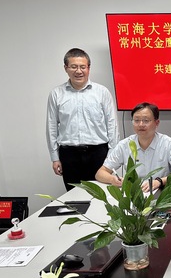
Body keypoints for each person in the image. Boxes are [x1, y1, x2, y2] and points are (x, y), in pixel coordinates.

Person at [46, 48, 119, 191]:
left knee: (102, 196)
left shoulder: (102, 92)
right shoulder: (56, 94)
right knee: (74, 197)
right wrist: (55, 158)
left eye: (82, 67)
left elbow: (112, 125)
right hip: (69, 155)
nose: (78, 71)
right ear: (66, 68)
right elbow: (51, 127)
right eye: (73, 67)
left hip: (98, 153)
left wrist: (112, 157)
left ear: (88, 68)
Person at [96, 102, 171, 192]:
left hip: (160, 192)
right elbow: (100, 173)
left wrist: (159, 181)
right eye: (136, 120)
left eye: (146, 120)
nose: (140, 124)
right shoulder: (124, 145)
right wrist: (112, 179)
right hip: (134, 193)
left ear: (157, 123)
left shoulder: (167, 143)